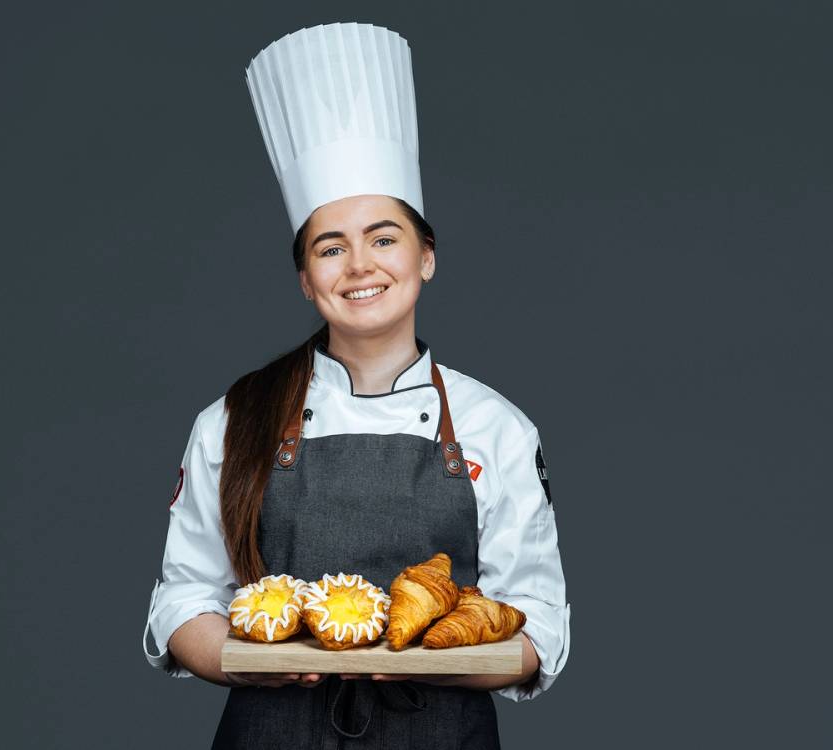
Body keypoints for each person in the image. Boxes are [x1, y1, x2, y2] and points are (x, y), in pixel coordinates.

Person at [141, 22, 571, 749]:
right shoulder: (235, 419)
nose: (360, 266)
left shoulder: (496, 427)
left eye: (384, 237)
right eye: (331, 247)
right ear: (308, 280)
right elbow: (181, 598)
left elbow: (538, 625)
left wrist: (430, 659)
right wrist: (243, 663)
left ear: (426, 256)